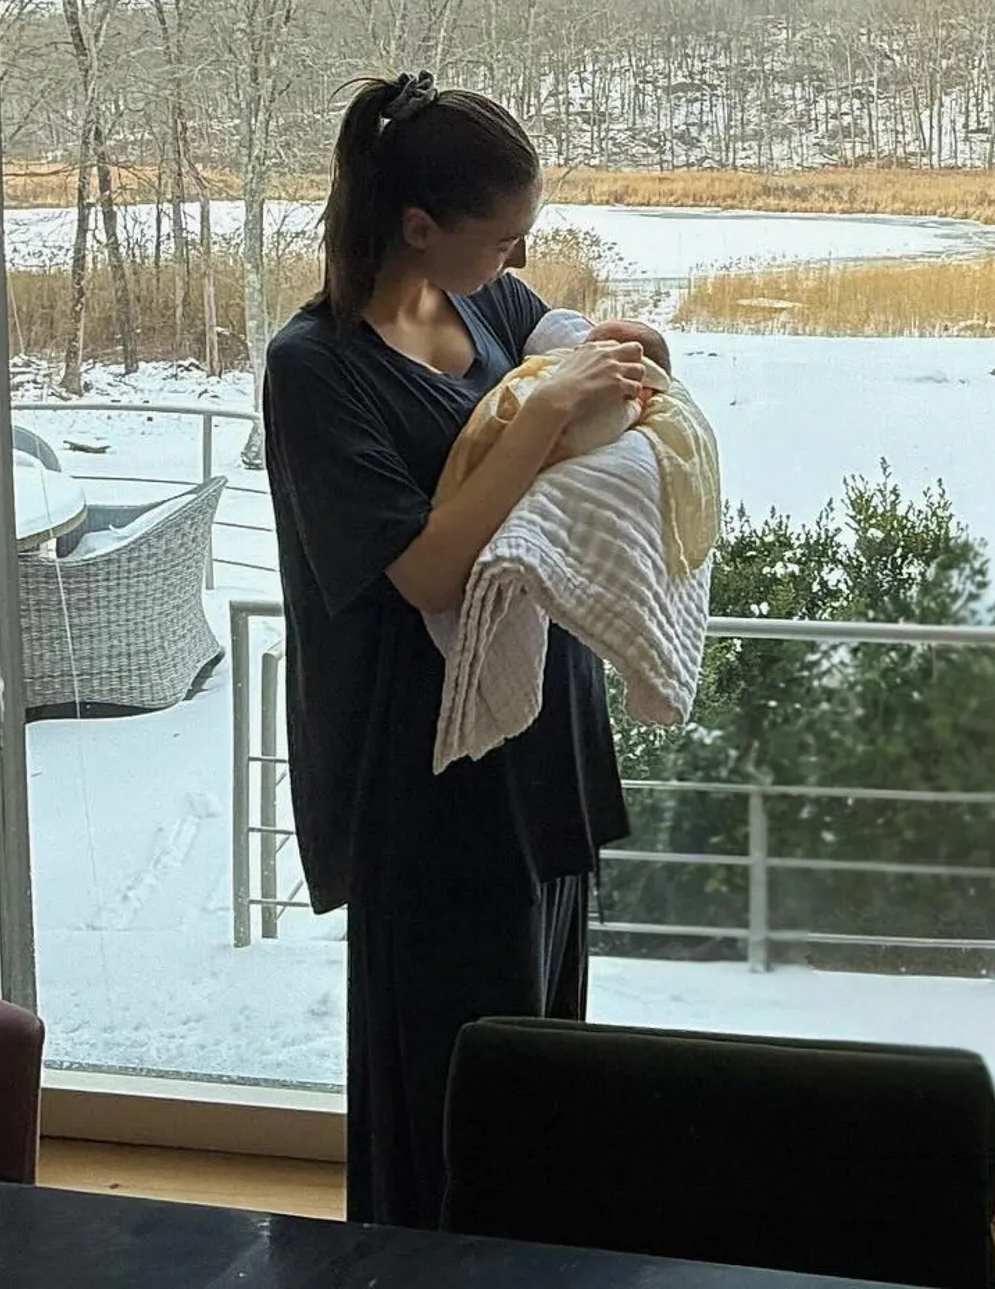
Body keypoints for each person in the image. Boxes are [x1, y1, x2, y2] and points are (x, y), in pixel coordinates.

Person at [262, 70, 665, 1228]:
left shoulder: (480, 302)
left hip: (539, 738)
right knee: (448, 1085)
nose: (518, 257)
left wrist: (631, 356)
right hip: (428, 770)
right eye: (503, 237)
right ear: (417, 225)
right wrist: (541, 414)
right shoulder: (317, 366)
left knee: (543, 1072)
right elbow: (424, 571)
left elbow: (565, 351)